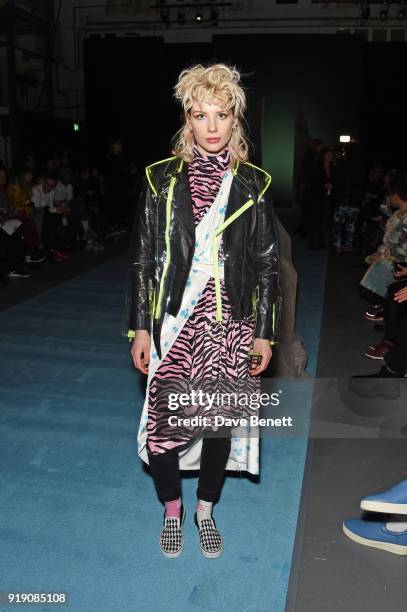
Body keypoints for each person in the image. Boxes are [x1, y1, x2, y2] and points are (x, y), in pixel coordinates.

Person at [126, 63, 281, 559]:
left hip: (231, 324)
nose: (212, 127)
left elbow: (267, 264)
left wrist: (265, 333)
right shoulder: (161, 179)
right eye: (200, 115)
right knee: (164, 426)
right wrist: (140, 328)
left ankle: (204, 510)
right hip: (176, 318)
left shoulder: (254, 183)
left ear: (237, 120)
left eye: (222, 114)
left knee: (217, 427)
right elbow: (145, 259)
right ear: (186, 121)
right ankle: (172, 508)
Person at [331, 142, 366, 253]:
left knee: (338, 226)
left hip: (343, 200)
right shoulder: (362, 166)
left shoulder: (342, 164)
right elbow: (363, 184)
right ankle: (348, 246)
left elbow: (336, 181)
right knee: (351, 227)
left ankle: (337, 246)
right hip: (355, 201)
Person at [308, 148, 335, 249]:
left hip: (328, 198)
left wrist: (332, 185)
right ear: (324, 156)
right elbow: (313, 182)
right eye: (328, 155)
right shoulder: (317, 167)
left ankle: (323, 242)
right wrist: (323, 185)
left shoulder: (333, 168)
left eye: (331, 155)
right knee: (317, 219)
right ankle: (314, 243)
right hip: (317, 198)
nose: (330, 156)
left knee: (326, 219)